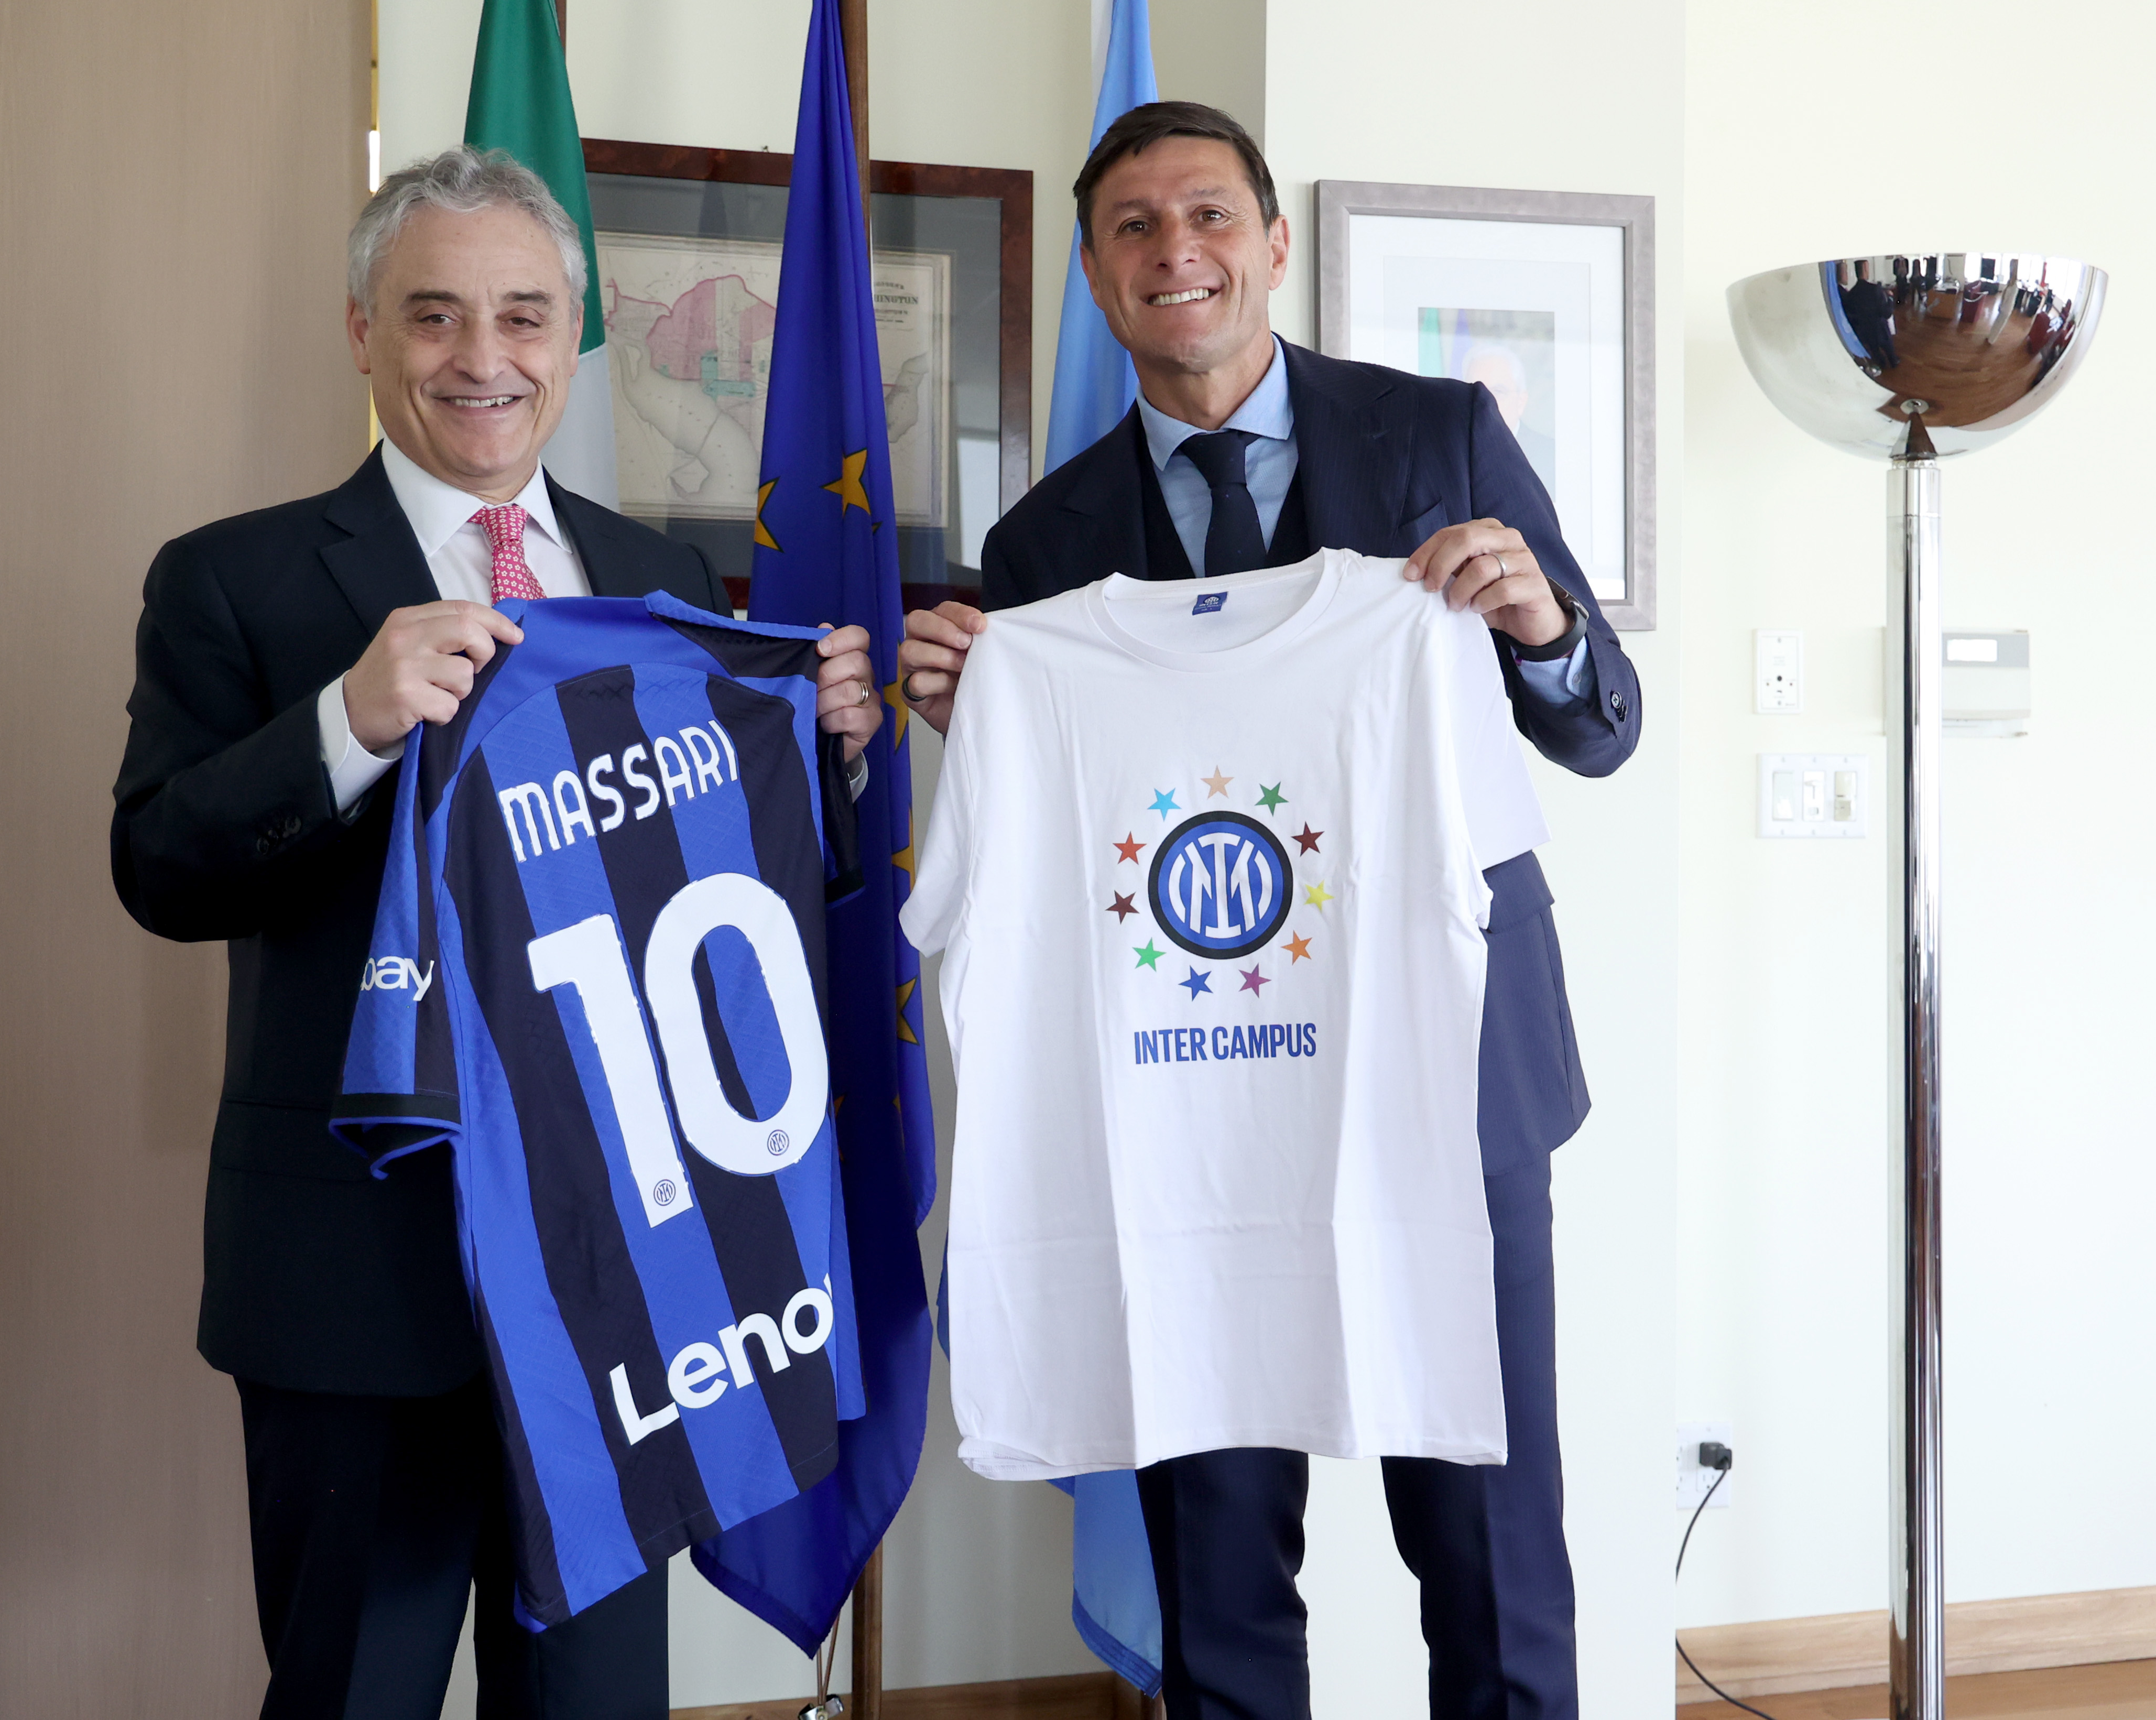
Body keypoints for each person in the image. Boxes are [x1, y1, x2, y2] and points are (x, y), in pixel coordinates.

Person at [111, 146, 883, 1720]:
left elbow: (740, 904)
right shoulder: (231, 579)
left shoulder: (662, 576)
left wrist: (831, 769)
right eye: (435, 315)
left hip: (626, 1291)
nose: (484, 358)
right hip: (357, 1286)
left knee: (595, 1704)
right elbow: (161, 871)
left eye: (525, 316)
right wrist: (345, 721)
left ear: (574, 337)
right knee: (355, 1695)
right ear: (363, 331)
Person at [897, 102, 1639, 1720]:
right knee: (1217, 1559)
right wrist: (981, 725)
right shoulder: (1040, 548)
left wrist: (1543, 630)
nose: (1178, 252)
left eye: (1211, 215)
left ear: (1274, 242)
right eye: (1135, 228)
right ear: (1095, 272)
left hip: (1451, 1077)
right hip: (1191, 1108)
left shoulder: (1443, 438)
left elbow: (1603, 728)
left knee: (1490, 1542)